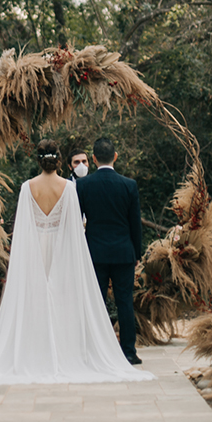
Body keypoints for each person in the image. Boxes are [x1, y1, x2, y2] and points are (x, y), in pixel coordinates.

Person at [0, 138, 154, 384]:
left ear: (39, 160)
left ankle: (36, 349)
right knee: (72, 298)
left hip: (35, 248)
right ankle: (84, 349)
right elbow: (75, 226)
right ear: (60, 161)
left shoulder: (27, 187)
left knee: (36, 297)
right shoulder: (71, 188)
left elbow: (23, 225)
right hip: (66, 248)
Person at [76, 136, 143, 365]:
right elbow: (136, 223)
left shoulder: (83, 185)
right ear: (115, 156)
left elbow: (77, 221)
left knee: (96, 302)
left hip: (94, 252)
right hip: (124, 251)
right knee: (125, 301)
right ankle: (129, 352)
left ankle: (96, 351)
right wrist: (137, 253)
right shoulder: (129, 185)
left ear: (93, 159)